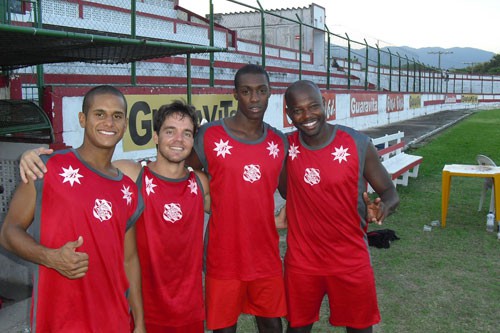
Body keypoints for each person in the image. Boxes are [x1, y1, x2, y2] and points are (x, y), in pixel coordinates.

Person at [17, 101, 212, 332]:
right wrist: (33, 158)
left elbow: (235, 209)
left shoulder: (200, 183)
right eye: (170, 131)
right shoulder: (131, 175)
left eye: (186, 133)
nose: (178, 139)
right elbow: (87, 167)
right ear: (156, 137)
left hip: (188, 310)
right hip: (140, 309)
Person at [0, 85, 146, 332]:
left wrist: (140, 322)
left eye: (117, 116)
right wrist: (51, 257)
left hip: (114, 319)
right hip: (62, 320)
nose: (109, 122)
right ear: (82, 118)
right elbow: (8, 232)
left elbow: (129, 260)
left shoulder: (128, 190)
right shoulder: (47, 168)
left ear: (125, 124)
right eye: (99, 114)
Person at [279, 80, 400, 333]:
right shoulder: (285, 147)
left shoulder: (357, 143)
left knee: (359, 327)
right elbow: (285, 191)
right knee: (297, 327)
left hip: (350, 258)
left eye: (313, 106)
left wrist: (384, 207)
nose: (307, 115)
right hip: (303, 261)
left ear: (325, 105)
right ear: (289, 114)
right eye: (298, 110)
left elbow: (389, 192)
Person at [186, 64, 288, 333]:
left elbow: (293, 189)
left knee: (271, 324)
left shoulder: (279, 142)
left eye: (261, 91)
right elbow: (186, 171)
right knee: (223, 328)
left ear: (270, 94)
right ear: (235, 94)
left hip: (264, 254)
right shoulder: (209, 135)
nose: (254, 99)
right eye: (246, 91)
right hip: (223, 255)